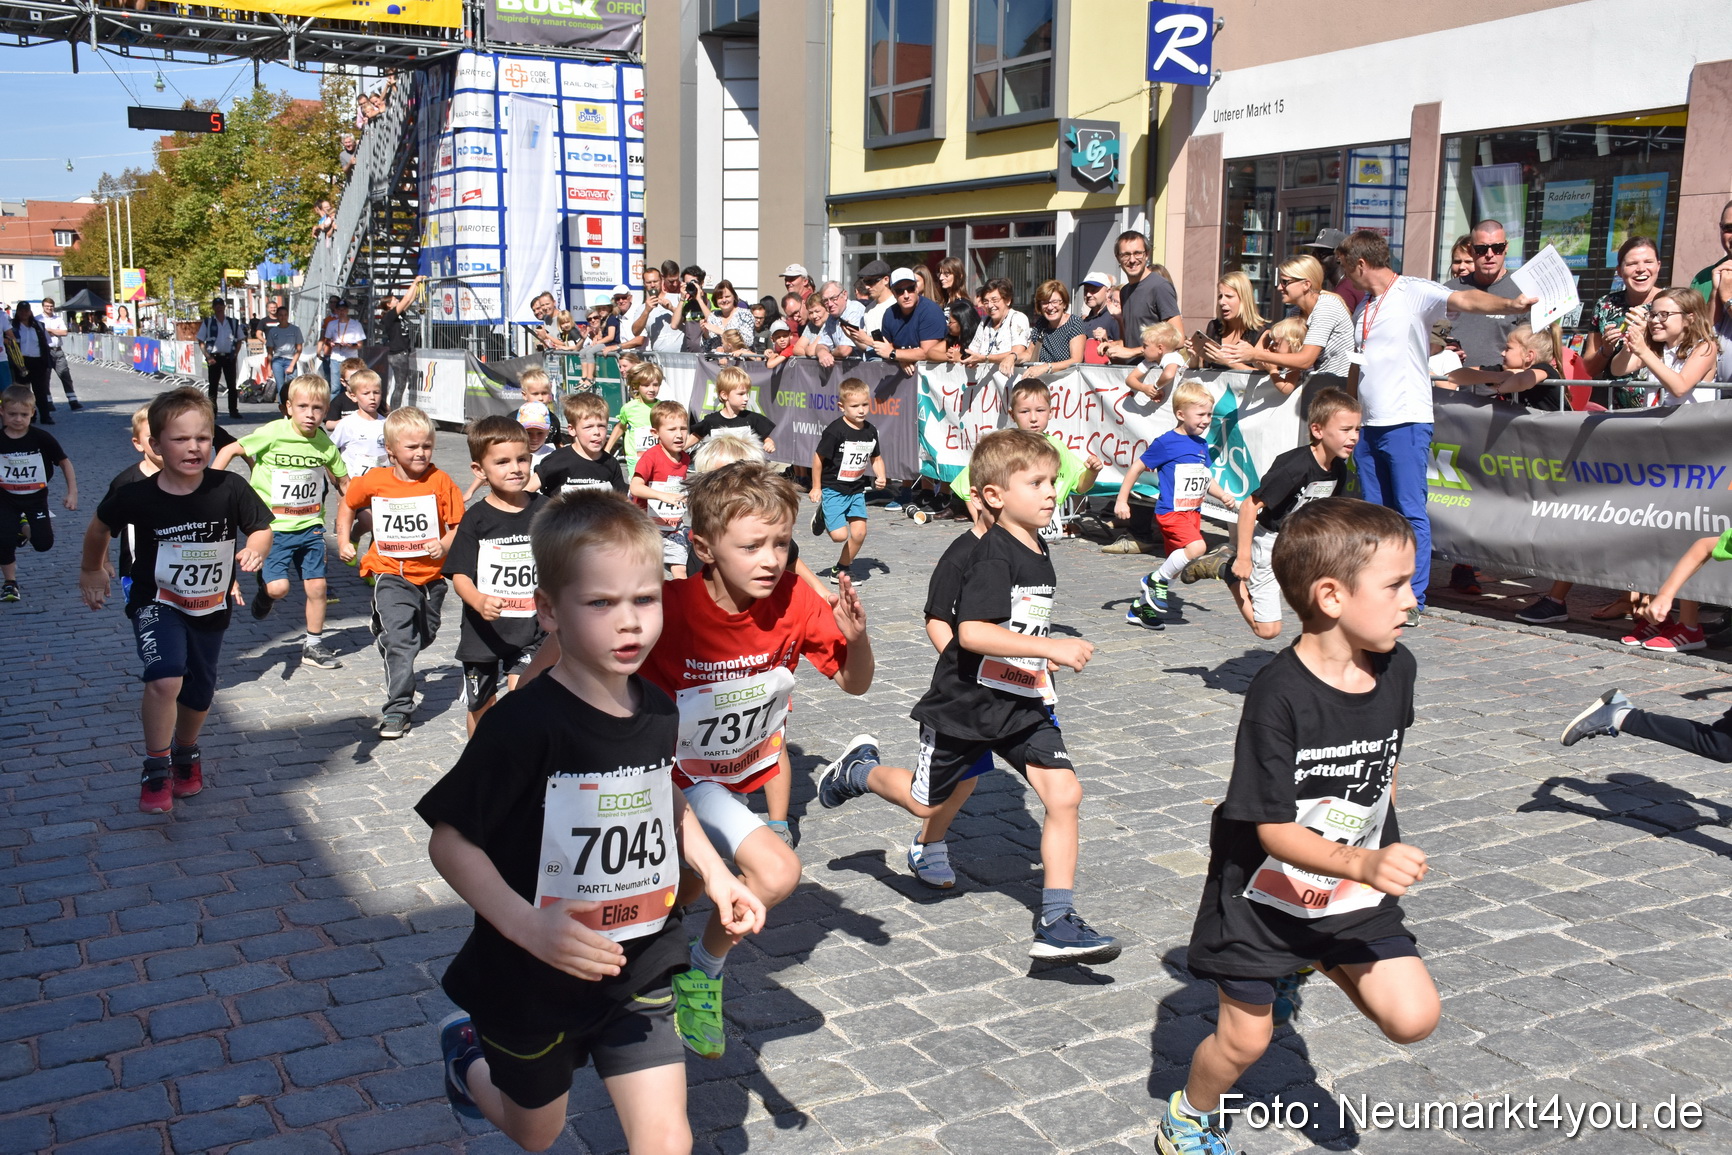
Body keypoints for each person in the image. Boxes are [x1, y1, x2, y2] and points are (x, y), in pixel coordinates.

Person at [421, 492, 765, 1152]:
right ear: (549, 611)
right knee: (536, 1132)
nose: (629, 622)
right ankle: (467, 1058)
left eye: (645, 599)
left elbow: (662, 793)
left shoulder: (658, 708)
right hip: (532, 975)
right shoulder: (524, 724)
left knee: (667, 1137)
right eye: (601, 603)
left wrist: (717, 873)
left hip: (641, 959)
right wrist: (528, 926)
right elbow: (450, 840)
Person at [1159, 498, 1438, 1155]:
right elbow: (1273, 833)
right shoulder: (1277, 694)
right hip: (1262, 897)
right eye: (1396, 584)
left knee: (1414, 1017)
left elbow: (1387, 764)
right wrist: (1365, 863)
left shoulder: (1398, 667)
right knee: (1245, 1040)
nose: (1412, 600)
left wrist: (1375, 848)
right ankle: (1187, 1117)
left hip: (1347, 890)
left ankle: (1312, 957)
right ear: (1331, 596)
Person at [817, 429, 1118, 960]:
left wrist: (1037, 660)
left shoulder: (1037, 544)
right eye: (1037, 483)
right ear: (994, 496)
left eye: (1053, 481)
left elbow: (1017, 624)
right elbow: (972, 632)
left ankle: (1057, 920)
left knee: (1064, 794)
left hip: (1023, 703)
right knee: (924, 802)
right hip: (966, 707)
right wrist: (1049, 647)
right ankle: (860, 771)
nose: (1052, 491)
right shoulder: (989, 555)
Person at [628, 462, 872, 1057]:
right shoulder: (666, 606)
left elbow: (855, 683)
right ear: (704, 548)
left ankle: (672, 959)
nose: (770, 560)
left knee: (690, 886)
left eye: (781, 544)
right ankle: (677, 972)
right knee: (765, 874)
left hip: (732, 777)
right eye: (752, 546)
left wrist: (856, 636)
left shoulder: (796, 598)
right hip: (668, 777)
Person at [79, 387, 273, 813]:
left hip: (209, 606)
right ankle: (156, 767)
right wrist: (91, 569)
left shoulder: (229, 487)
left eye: (202, 438)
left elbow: (260, 526)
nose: (194, 447)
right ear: (156, 444)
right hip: (157, 601)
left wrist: (256, 547)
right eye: (181, 439)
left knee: (199, 690)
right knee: (166, 678)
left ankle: (186, 751)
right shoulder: (136, 494)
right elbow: (99, 527)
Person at [1336, 228, 1534, 621]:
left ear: (1361, 263)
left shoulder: (1412, 290)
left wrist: (1510, 303)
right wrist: (1350, 409)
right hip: (1370, 424)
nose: (1344, 277)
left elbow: (1465, 299)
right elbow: (1359, 363)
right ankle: (1378, 590)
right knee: (1374, 514)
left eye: (1344, 268)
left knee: (1409, 511)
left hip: (1405, 420)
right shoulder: (1364, 307)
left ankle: (1413, 597)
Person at [1184, 389, 1363, 640]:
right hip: (1270, 544)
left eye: (1357, 429)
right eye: (1345, 429)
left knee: (1327, 609)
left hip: (1303, 546)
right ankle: (1226, 570)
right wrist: (1243, 558)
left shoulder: (1339, 470)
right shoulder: (1295, 466)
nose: (1353, 436)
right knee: (1267, 630)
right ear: (1317, 430)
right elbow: (1249, 507)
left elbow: (1336, 517)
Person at [337, 407, 466, 740]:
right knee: (400, 642)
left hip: (431, 579)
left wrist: (444, 544)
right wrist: (344, 539)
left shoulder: (440, 481)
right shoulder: (375, 480)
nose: (421, 453)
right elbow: (349, 502)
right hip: (390, 573)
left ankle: (390, 633)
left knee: (424, 635)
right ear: (391, 450)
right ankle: (398, 709)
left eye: (427, 446)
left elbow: (458, 525)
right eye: (412, 447)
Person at [215, 374, 349, 670]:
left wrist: (352, 505)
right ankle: (265, 593)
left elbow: (343, 481)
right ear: (288, 407)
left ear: (326, 411)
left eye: (317, 408)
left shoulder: (324, 444)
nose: (310, 414)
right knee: (278, 589)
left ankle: (313, 645)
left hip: (311, 528)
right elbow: (230, 449)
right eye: (303, 407)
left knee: (318, 587)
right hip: (273, 529)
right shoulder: (274, 432)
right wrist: (209, 484)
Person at [443, 416, 544, 735]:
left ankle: (520, 758)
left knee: (524, 694)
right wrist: (478, 600)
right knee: (481, 705)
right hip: (483, 632)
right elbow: (460, 575)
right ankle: (479, 758)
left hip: (533, 628)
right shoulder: (475, 519)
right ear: (479, 470)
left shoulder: (547, 510)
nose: (515, 468)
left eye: (522, 459)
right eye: (502, 462)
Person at [1116, 381, 1241, 630]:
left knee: (1174, 568)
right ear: (1181, 414)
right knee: (1198, 547)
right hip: (1172, 513)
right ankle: (1153, 580)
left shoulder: (1201, 444)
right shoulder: (1166, 442)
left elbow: (1205, 478)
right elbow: (1137, 466)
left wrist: (1222, 495)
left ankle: (1140, 610)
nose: (1206, 420)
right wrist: (1122, 499)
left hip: (1192, 513)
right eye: (1201, 414)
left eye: (1209, 414)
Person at [948, 380, 1101, 530]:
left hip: (1043, 535)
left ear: (1051, 412)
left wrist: (1092, 472)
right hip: (1008, 531)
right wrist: (980, 524)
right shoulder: (1003, 447)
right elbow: (967, 486)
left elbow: (1080, 485)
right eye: (1024, 411)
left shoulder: (1058, 448)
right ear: (1012, 414)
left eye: (1040, 410)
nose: (1033, 418)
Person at [1233, 254, 1356, 392]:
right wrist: (1261, 348)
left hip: (1337, 390)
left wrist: (1256, 354)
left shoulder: (1327, 306)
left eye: (1285, 282)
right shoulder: (1295, 313)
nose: (1279, 288)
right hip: (1315, 389)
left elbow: (1305, 360)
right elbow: (1276, 359)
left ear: (1306, 284)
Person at [0, 385, 76, 602]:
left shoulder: (41, 438)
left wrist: (72, 492)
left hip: (35, 498)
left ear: (33, 413)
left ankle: (22, 526)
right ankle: (10, 583)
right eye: (12, 414)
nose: (18, 419)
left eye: (24, 415)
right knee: (3, 539)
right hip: (5, 498)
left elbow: (64, 462)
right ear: (2, 412)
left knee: (43, 544)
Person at [810, 378, 887, 581]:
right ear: (842, 406)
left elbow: (876, 458)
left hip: (856, 490)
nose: (861, 410)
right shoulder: (835, 431)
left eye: (864, 405)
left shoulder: (870, 431)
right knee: (839, 536)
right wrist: (816, 487)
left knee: (860, 533)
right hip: (833, 488)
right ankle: (823, 514)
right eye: (854, 406)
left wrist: (881, 475)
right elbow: (818, 458)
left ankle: (841, 568)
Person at [1442, 220, 1526, 368]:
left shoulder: (1522, 290)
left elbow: (1532, 348)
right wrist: (1442, 348)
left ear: (1506, 248)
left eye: (1497, 248)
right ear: (1471, 250)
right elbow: (1428, 337)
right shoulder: (1449, 290)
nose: (1489, 255)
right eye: (1481, 249)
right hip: (1452, 380)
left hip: (1501, 381)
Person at [630, 400, 693, 580]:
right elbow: (635, 487)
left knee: (680, 569)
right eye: (672, 429)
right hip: (647, 526)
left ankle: (682, 598)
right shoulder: (651, 457)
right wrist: (662, 496)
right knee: (647, 573)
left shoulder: (685, 458)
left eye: (683, 428)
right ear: (655, 433)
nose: (679, 434)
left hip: (673, 525)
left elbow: (679, 486)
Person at [329, 368, 387, 560]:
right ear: (354, 396)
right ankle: (353, 536)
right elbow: (330, 451)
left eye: (376, 392)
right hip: (355, 484)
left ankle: (374, 565)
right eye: (366, 393)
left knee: (381, 529)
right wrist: (336, 479)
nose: (372, 398)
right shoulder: (347, 424)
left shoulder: (386, 423)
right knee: (368, 522)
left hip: (380, 486)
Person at [1099, 230, 1179, 362]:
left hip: (1155, 371)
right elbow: (1130, 341)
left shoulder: (1160, 287)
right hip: (1131, 371)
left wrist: (1132, 352)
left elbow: (1177, 339)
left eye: (1137, 253)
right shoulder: (1125, 291)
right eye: (1126, 255)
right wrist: (1114, 346)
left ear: (1147, 254)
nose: (1132, 260)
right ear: (1117, 257)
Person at [1446, 324, 1565, 410]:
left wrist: (1504, 383)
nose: (1502, 353)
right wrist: (1498, 376)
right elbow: (1455, 375)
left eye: (1508, 348)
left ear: (1528, 356)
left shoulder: (1544, 369)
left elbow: (1522, 381)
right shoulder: (1504, 370)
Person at [536, 392, 627, 496]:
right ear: (572, 430)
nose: (597, 432)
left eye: (601, 426)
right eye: (588, 427)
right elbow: (528, 491)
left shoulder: (611, 463)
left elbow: (622, 500)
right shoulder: (556, 460)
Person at [859, 267, 947, 366]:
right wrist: (901, 358)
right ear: (893, 293)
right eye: (900, 291)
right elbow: (887, 348)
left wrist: (894, 354)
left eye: (910, 289)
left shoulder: (930, 311)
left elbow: (927, 353)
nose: (906, 295)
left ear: (916, 289)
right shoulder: (890, 314)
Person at [692, 364, 776, 452]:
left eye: (747, 393)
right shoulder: (711, 420)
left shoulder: (752, 418)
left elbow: (767, 438)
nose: (746, 398)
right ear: (724, 395)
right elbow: (696, 436)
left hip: (746, 461)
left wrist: (769, 443)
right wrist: (682, 449)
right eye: (741, 394)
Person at [957, 278, 1032, 376]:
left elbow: (1017, 353)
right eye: (986, 301)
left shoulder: (1017, 318)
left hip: (1010, 381)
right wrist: (965, 358)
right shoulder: (985, 321)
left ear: (1008, 300)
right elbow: (973, 351)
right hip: (986, 383)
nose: (990, 305)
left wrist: (985, 358)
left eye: (994, 300)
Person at [604, 362, 665, 476]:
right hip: (635, 458)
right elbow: (620, 427)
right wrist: (607, 449)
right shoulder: (629, 408)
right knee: (637, 485)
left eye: (655, 385)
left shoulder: (663, 407)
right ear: (636, 386)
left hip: (657, 457)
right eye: (646, 385)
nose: (652, 389)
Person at [1198, 270, 1268, 368]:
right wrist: (1194, 358)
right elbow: (1203, 368)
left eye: (1229, 296)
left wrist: (1228, 362)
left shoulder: (1260, 333)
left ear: (1244, 299)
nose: (1222, 302)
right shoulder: (1214, 327)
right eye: (1220, 296)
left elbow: (1263, 375)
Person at [1021, 280, 1089, 379]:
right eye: (1045, 302)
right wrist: (1013, 357)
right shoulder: (1041, 323)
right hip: (1044, 383)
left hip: (1066, 383)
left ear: (1064, 304)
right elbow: (1029, 353)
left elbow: (1076, 360)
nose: (1050, 307)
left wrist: (1046, 367)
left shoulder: (1074, 323)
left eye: (1055, 302)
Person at [196, 298, 244, 420]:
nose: (219, 308)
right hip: (214, 357)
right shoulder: (208, 322)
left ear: (224, 307)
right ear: (213, 308)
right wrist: (208, 356)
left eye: (221, 305)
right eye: (216, 305)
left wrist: (235, 354)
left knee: (232, 385)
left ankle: (233, 410)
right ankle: (212, 412)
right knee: (213, 386)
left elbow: (240, 339)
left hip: (229, 357)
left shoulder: (232, 322)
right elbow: (201, 340)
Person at [377, 279, 422, 410]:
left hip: (403, 352)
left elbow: (410, 300)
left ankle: (395, 410)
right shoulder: (389, 316)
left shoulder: (399, 314)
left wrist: (418, 286)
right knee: (400, 385)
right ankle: (394, 411)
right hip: (398, 353)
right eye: (394, 299)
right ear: (389, 305)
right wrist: (415, 281)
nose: (397, 300)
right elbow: (405, 298)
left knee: (401, 384)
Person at [11, 303, 55, 424]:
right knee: (22, 392)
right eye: (21, 310)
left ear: (30, 312)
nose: (24, 313)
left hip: (37, 361)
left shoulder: (38, 325)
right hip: (20, 362)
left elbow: (47, 342)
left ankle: (45, 416)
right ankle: (29, 416)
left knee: (40, 391)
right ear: (17, 312)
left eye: (26, 310)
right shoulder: (12, 326)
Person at [36, 297, 82, 411]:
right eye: (47, 306)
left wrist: (49, 330)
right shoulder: (37, 319)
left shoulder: (58, 319)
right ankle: (48, 402)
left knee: (65, 375)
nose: (49, 308)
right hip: (45, 351)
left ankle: (73, 400)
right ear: (43, 307)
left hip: (58, 350)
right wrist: (56, 331)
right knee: (45, 378)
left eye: (51, 306)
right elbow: (39, 334)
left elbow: (64, 332)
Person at [1124, 321, 1187, 403]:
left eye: (1145, 346)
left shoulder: (1172, 357)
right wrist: (1144, 388)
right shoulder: (1149, 361)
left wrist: (1156, 387)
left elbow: (1168, 375)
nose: (1142, 350)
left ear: (1160, 348)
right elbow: (1129, 379)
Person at [809, 281, 863, 368]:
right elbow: (821, 344)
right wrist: (822, 353)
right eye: (825, 301)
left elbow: (844, 350)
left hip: (863, 368)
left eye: (834, 298)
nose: (830, 304)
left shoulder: (855, 309)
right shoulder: (831, 317)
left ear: (844, 295)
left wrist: (830, 353)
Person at [264, 304, 306, 404]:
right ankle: (283, 407)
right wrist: (269, 368)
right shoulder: (273, 331)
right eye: (280, 315)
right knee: (280, 387)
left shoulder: (295, 330)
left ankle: (292, 406)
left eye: (285, 315)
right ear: (277, 316)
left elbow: (299, 349)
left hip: (290, 359)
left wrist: (292, 365)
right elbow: (270, 351)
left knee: (292, 386)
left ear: (287, 316)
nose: (283, 317)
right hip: (277, 361)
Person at [322, 300, 365, 394]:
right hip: (336, 358)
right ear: (336, 311)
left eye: (344, 310)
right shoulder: (331, 324)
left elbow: (360, 344)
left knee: (351, 385)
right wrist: (331, 343)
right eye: (339, 310)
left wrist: (350, 345)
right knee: (335, 388)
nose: (342, 312)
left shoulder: (356, 324)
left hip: (350, 359)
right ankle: (334, 403)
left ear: (347, 311)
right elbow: (326, 340)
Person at [702, 279, 754, 351]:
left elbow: (748, 342)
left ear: (734, 297)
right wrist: (705, 334)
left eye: (727, 296)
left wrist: (722, 332)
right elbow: (706, 347)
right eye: (720, 298)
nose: (724, 300)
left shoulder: (745, 314)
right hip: (715, 357)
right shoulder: (713, 316)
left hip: (739, 357)